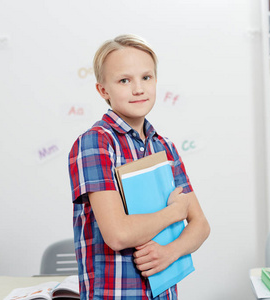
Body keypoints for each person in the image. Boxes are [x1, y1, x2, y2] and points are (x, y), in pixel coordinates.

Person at [68, 34, 210, 299]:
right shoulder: (96, 143)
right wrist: (174, 212)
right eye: (124, 80)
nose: (138, 89)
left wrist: (170, 252)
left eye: (146, 77)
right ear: (103, 90)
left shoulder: (164, 147)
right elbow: (119, 235)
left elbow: (200, 225)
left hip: (163, 292)